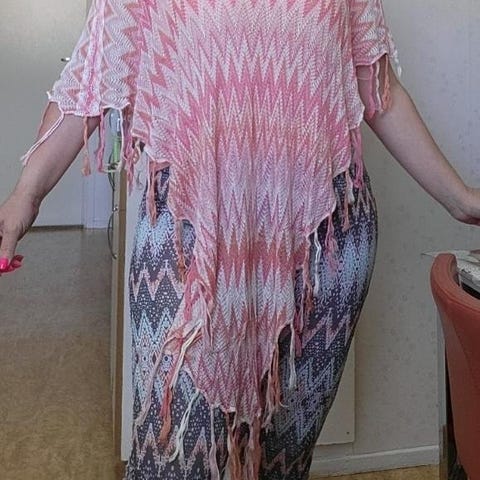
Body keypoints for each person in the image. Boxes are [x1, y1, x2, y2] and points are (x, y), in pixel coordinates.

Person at [1, 1, 479, 479]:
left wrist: (459, 199)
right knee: (173, 461)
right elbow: (91, 79)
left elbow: (377, 87)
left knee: (281, 463)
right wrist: (27, 196)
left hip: (321, 249)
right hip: (187, 246)